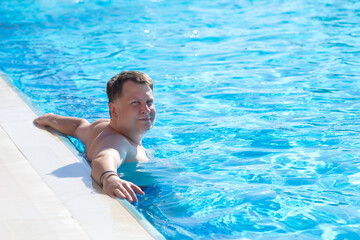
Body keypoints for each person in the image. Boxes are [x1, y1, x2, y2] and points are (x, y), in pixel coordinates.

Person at [33, 71, 156, 202]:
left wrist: (52, 119)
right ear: (113, 110)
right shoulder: (118, 142)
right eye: (135, 103)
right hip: (143, 199)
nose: (146, 109)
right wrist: (110, 177)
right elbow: (104, 157)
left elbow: (76, 126)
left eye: (149, 102)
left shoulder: (100, 127)